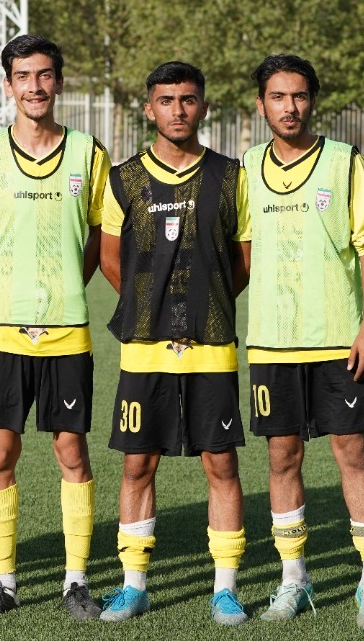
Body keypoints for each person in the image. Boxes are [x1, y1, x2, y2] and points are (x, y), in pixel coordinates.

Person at [0, 34, 110, 621]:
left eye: (45, 75)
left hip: (66, 326)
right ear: (8, 85)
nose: (35, 87)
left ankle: (76, 581)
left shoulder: (87, 154)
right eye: (23, 76)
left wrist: (72, 282)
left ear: (59, 82)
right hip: (0, 329)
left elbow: (101, 231)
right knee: (1, 451)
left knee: (71, 450)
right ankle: (5, 582)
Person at [242, 54, 364, 630]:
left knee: (352, 453)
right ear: (261, 104)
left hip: (337, 342)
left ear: (313, 100)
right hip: (272, 344)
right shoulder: (247, 167)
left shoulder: (343, 161)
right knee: (282, 458)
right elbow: (240, 251)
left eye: (299, 95)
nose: (290, 107)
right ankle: (294, 579)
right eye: (278, 96)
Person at [99, 62, 250, 626]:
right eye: (166, 100)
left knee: (221, 463)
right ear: (149, 109)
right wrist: (153, 307)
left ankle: (225, 589)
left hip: (212, 346)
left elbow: (243, 261)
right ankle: (133, 584)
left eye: (188, 100)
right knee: (138, 463)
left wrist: (206, 303)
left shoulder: (230, 176)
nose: (178, 110)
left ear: (203, 107)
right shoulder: (123, 179)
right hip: (144, 348)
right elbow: (110, 260)